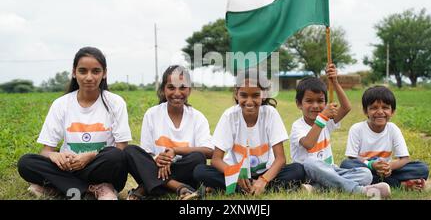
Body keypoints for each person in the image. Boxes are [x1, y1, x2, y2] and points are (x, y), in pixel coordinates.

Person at [17, 47, 131, 200]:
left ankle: (59, 187)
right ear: (74, 72)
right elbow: (46, 150)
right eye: (83, 71)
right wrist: (54, 156)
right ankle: (92, 190)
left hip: (99, 166)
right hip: (69, 168)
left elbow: (122, 148)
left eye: (96, 71)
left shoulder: (115, 102)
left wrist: (91, 156)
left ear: (104, 73)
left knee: (116, 156)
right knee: (26, 163)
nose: (89, 77)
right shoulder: (61, 104)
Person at [193, 68, 305, 196]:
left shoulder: (270, 114)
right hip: (237, 173)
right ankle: (249, 188)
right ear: (236, 94)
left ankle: (245, 188)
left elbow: (280, 159)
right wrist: (234, 175)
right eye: (244, 95)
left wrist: (263, 180)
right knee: (200, 171)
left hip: (266, 173)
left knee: (297, 170)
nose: (249, 102)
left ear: (264, 95)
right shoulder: (229, 116)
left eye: (256, 95)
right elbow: (216, 160)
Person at [290, 64, 391, 198]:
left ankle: (316, 189)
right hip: (309, 173)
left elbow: (346, 107)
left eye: (320, 101)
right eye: (309, 101)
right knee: (310, 162)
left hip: (332, 170)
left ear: (325, 102)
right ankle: (359, 191)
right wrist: (322, 118)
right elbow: (308, 144)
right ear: (299, 104)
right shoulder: (298, 126)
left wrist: (335, 82)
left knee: (365, 173)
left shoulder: (326, 120)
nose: (315, 106)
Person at [124, 65, 213, 200]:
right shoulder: (152, 114)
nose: (177, 93)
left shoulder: (197, 117)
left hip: (183, 169)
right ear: (163, 89)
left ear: (189, 90)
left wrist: (175, 151)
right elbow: (147, 153)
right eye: (171, 87)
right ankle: (178, 187)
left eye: (182, 87)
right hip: (156, 166)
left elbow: (209, 151)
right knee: (130, 151)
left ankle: (147, 187)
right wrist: (158, 160)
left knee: (198, 157)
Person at [340, 85, 429, 191]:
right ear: (365, 111)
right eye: (374, 108)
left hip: (387, 171)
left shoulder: (393, 129)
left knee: (422, 168)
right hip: (366, 168)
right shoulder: (357, 129)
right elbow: (352, 158)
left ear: (392, 111)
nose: (380, 112)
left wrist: (389, 167)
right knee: (346, 165)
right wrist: (372, 164)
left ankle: (374, 183)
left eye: (385, 107)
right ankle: (399, 184)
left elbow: (405, 158)